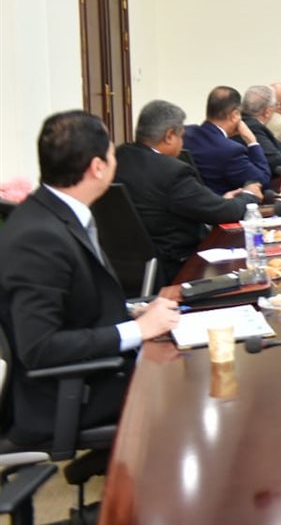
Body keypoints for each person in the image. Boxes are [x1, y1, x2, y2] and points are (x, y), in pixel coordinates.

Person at [0, 111, 179, 445]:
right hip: (71, 394)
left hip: (95, 370)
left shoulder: (56, 213)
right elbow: (39, 347)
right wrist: (138, 330)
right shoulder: (39, 236)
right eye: (112, 154)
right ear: (97, 167)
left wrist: (132, 312)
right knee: (192, 387)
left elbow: (74, 303)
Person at [115, 100, 261, 287]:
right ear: (169, 136)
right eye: (181, 137)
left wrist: (219, 201)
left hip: (130, 270)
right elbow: (224, 212)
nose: (182, 143)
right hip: (178, 266)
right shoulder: (170, 171)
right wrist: (249, 196)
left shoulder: (121, 156)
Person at [183, 86, 271, 195]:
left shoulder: (185, 134)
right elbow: (262, 181)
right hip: (226, 203)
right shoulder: (231, 151)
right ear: (234, 115)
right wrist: (252, 142)